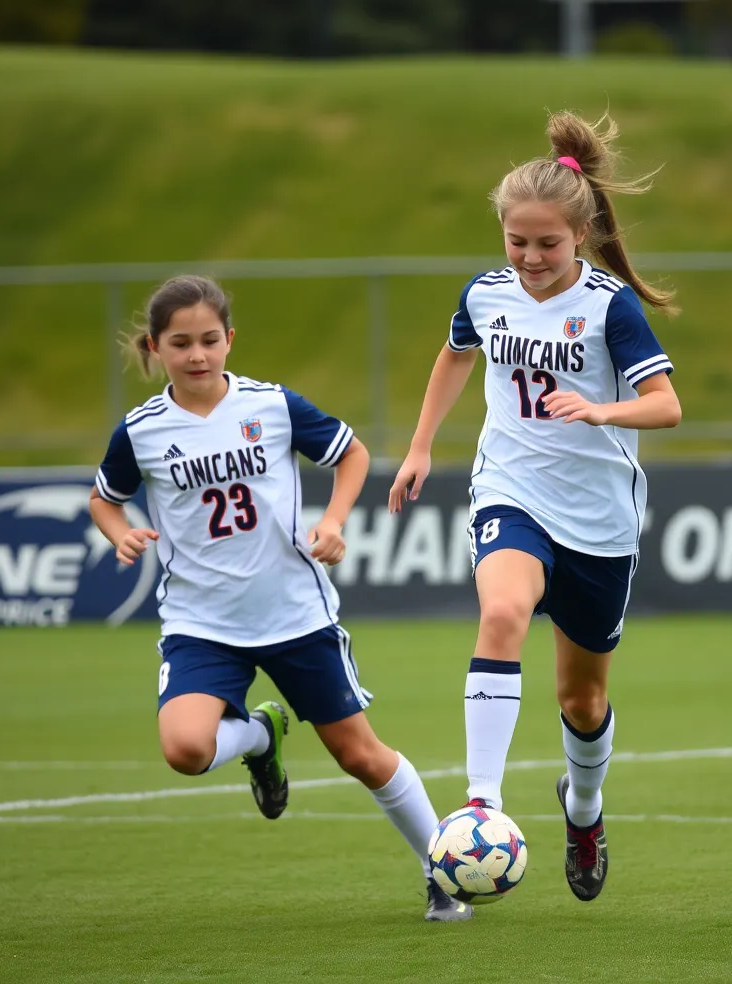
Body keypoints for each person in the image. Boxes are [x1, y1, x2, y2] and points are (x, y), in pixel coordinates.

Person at [89, 275, 471, 923]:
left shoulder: (270, 406)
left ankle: (443, 874)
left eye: (210, 339)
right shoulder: (142, 430)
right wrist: (123, 534)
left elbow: (350, 453)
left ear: (230, 339)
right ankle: (261, 737)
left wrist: (333, 522)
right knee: (185, 750)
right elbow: (104, 496)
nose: (198, 354)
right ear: (155, 349)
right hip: (200, 622)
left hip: (294, 612)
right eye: (180, 343)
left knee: (360, 755)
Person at [388, 112, 682, 903]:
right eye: (517, 242)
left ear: (579, 235)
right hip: (511, 492)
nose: (530, 258)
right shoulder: (486, 296)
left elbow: (666, 406)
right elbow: (455, 356)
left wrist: (600, 410)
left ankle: (582, 811)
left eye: (547, 244)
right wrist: (420, 446)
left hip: (600, 521)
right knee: (502, 615)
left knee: (581, 700)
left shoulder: (611, 307)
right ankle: (481, 805)